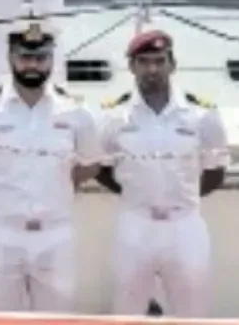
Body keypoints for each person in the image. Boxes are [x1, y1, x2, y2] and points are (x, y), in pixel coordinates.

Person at [0, 19, 102, 312]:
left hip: (55, 235)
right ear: (10, 58)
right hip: (1, 235)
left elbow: (90, 165)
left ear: (51, 60)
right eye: (25, 57)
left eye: (40, 57)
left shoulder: (76, 113)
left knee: (56, 319)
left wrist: (56, 185)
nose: (32, 65)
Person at [97, 29, 229, 317]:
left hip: (184, 225)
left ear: (172, 64)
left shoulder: (202, 115)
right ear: (132, 67)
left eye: (159, 61)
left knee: (191, 310)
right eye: (143, 62)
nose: (152, 69)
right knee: (128, 311)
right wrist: (136, 192)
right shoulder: (113, 116)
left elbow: (216, 172)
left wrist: (181, 196)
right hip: (136, 225)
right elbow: (101, 168)